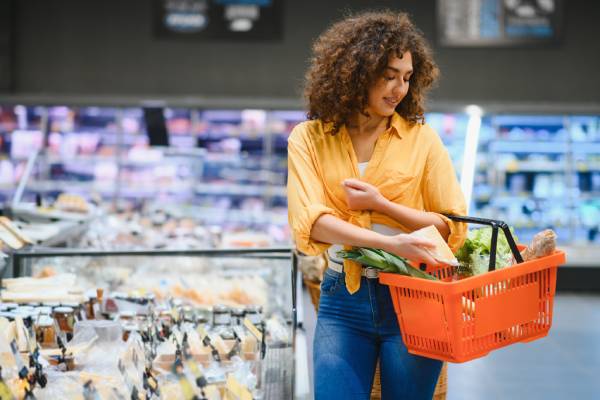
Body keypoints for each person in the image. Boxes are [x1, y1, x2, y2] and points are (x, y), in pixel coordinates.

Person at [287, 10, 468, 400]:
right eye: (389, 75)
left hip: (415, 297)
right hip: (343, 298)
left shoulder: (422, 140)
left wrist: (383, 205)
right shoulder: (308, 139)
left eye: (406, 77)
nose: (399, 88)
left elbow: (450, 226)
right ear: (356, 72)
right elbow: (311, 222)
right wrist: (391, 244)